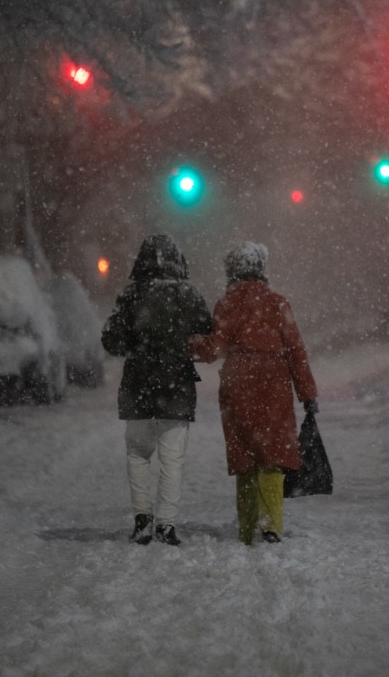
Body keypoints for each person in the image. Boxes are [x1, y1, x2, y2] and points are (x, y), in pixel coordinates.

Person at [191, 242, 318, 545]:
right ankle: (271, 523)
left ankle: (247, 527)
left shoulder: (227, 304)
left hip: (239, 382)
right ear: (262, 268)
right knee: (272, 457)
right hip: (274, 382)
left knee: (245, 456)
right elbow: (296, 352)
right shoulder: (278, 303)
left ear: (231, 270)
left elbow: (215, 348)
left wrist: (189, 343)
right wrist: (307, 394)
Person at [101, 234, 213, 546]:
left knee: (138, 453)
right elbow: (207, 330)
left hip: (138, 383)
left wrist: (135, 342)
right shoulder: (187, 294)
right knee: (172, 457)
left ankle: (142, 520)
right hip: (176, 384)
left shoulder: (131, 295)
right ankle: (166, 523)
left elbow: (111, 340)